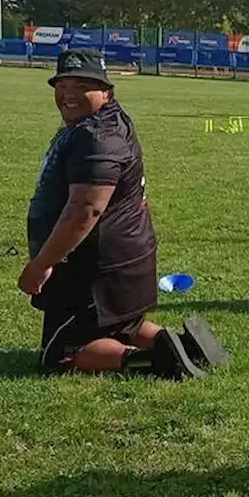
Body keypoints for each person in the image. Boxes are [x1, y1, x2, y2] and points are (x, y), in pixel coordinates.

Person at [21, 49, 227, 379]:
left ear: (106, 91)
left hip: (98, 270)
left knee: (60, 354)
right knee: (121, 325)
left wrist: (42, 264)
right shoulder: (106, 122)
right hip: (125, 260)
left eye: (82, 85)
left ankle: (158, 360)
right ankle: (181, 345)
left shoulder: (96, 137)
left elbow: (85, 210)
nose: (69, 94)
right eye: (62, 85)